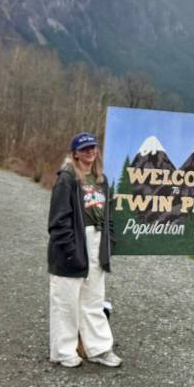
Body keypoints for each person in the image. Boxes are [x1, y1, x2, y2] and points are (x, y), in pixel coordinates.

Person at [47, 131, 122, 368]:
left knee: (93, 299)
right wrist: (70, 251)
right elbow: (58, 221)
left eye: (93, 147)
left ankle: (99, 349)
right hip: (73, 244)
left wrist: (109, 241)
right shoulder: (67, 178)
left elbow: (108, 215)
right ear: (75, 153)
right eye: (84, 148)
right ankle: (63, 351)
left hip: (96, 244)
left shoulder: (101, 180)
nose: (90, 151)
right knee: (66, 302)